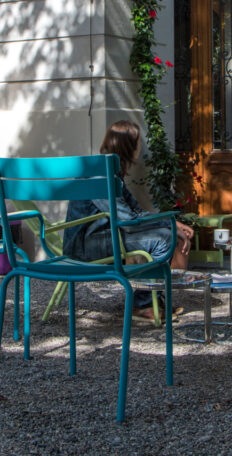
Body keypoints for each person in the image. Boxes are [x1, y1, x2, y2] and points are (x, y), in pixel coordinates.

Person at [63, 120, 195, 320]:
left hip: (99, 239)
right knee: (163, 239)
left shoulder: (111, 173)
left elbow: (136, 212)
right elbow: (128, 220)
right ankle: (143, 304)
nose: (140, 146)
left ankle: (151, 299)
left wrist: (173, 223)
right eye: (138, 141)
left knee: (166, 234)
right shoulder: (100, 176)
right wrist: (169, 227)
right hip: (85, 246)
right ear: (129, 146)